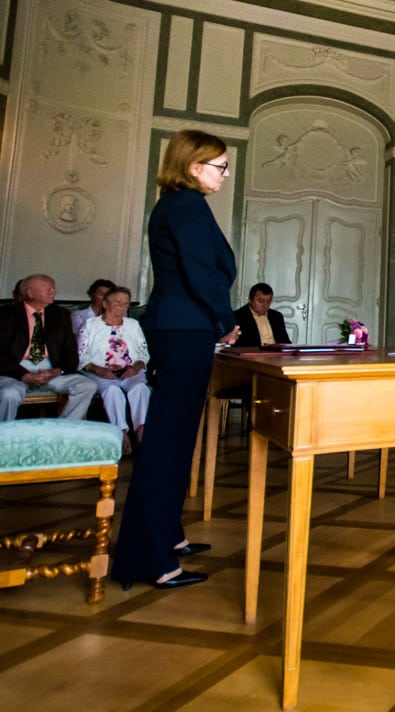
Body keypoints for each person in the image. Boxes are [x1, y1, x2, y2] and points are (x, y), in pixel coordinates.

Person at [111, 130, 240, 591]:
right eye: (220, 166)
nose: (225, 175)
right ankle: (151, 558)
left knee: (176, 439)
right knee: (167, 443)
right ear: (194, 166)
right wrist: (225, 321)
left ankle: (168, 537)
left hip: (181, 327)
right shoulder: (185, 206)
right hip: (184, 329)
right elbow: (202, 274)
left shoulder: (178, 203)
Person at [0, 274, 97, 423]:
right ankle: (4, 434)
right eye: (48, 289)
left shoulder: (61, 315)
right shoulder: (1, 316)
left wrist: (58, 371)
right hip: (14, 370)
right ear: (30, 293)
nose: (54, 292)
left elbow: (70, 352)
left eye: (54, 288)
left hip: (49, 370)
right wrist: (24, 375)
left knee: (87, 385)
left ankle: (64, 429)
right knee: (9, 394)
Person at [78, 285, 150, 456]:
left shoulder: (133, 325)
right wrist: (98, 370)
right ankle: (121, 434)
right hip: (101, 372)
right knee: (112, 391)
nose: (122, 307)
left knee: (140, 389)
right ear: (105, 303)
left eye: (126, 303)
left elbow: (143, 352)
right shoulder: (90, 325)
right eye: (117, 302)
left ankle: (141, 433)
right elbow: (81, 354)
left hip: (130, 371)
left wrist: (136, 367)